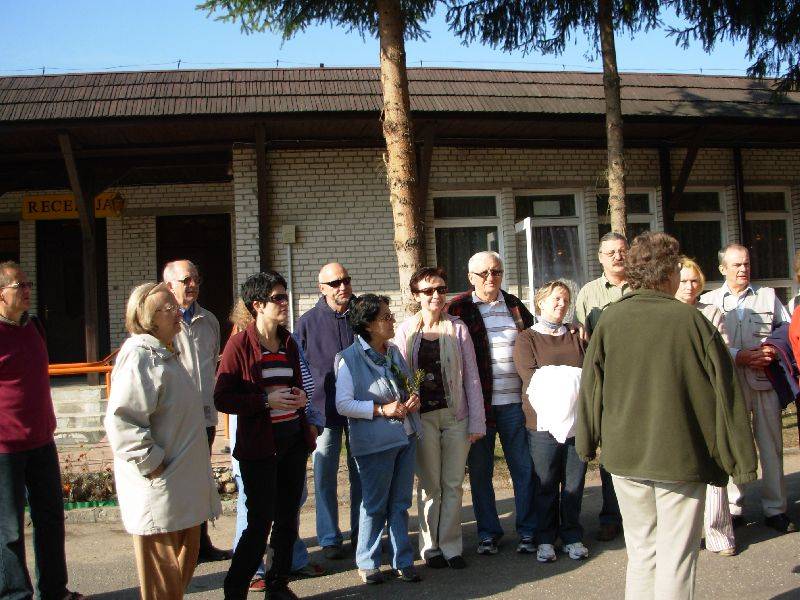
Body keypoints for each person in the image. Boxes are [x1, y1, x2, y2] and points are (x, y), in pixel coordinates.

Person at [576, 232, 758, 600]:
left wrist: (587, 441)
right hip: (681, 457)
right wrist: (741, 460)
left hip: (624, 457)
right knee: (676, 558)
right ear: (668, 273)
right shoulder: (692, 322)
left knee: (642, 554)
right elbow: (727, 393)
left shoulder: (610, 320)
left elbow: (590, 386)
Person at [105, 282, 221, 600]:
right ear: (148, 317)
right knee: (163, 584)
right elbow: (122, 421)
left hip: (180, 490)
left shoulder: (166, 353)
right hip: (160, 489)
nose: (178, 312)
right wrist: (152, 463)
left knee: (180, 574)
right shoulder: (140, 356)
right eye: (169, 308)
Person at [215, 272, 317, 600]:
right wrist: (264, 401)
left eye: (285, 296)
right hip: (260, 447)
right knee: (259, 524)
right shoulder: (239, 344)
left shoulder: (288, 342)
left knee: (287, 521)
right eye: (278, 298)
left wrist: (300, 397)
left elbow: (296, 384)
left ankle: (277, 584)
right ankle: (235, 589)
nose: (285, 303)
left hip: (292, 441)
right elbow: (222, 398)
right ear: (257, 305)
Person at [0, 261, 85, 600]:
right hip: (5, 447)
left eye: (28, 284)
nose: (27, 290)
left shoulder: (35, 325)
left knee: (50, 519)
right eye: (18, 285)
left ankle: (54, 590)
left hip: (41, 440)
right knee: (8, 528)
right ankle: (14, 594)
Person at [393, 267, 486, 569]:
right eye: (428, 290)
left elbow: (472, 377)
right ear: (416, 295)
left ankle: (451, 546)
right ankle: (429, 546)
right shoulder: (406, 331)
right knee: (430, 485)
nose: (436, 295)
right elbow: (399, 377)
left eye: (441, 289)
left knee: (454, 483)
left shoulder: (458, 328)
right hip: (423, 419)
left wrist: (477, 421)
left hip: (456, 416)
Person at [700, 244, 796, 534]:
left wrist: (772, 349)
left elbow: (787, 329)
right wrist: (737, 355)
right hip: (729, 383)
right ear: (722, 269)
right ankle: (734, 507)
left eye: (746, 264)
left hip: (763, 379)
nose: (743, 269)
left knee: (771, 446)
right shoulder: (709, 301)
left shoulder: (768, 295)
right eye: (737, 265)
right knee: (734, 444)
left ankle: (775, 509)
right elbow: (707, 342)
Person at [446, 251, 536, 555]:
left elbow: (536, 337)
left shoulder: (514, 305)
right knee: (481, 471)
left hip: (515, 404)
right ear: (470, 277)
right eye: (483, 273)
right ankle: (488, 533)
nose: (490, 278)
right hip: (478, 406)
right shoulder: (457, 308)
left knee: (523, 468)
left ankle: (528, 530)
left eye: (496, 271)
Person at [335, 294, 422, 584]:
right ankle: (368, 562)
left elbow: (407, 386)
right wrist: (381, 410)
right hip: (375, 443)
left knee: (400, 503)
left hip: (405, 436)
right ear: (369, 325)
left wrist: (413, 398)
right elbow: (343, 404)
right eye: (386, 316)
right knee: (374, 505)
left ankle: (403, 560)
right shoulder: (348, 359)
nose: (392, 319)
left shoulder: (393, 351)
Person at [513, 280, 588, 563]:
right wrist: (571, 377)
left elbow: (587, 373)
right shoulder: (527, 339)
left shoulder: (576, 335)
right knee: (545, 483)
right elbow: (533, 379)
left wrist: (560, 375)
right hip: (541, 422)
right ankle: (545, 538)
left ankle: (572, 536)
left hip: (576, 422)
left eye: (566, 300)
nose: (562, 304)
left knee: (573, 483)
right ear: (541, 302)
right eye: (556, 298)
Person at [162, 259, 230, 562]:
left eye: (196, 280)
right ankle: (178, 547)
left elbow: (213, 363)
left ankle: (201, 544)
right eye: (186, 280)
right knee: (178, 482)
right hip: (175, 419)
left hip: (204, 415)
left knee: (201, 480)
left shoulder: (209, 320)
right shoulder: (162, 321)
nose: (193, 285)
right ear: (169, 286)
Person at [295, 262, 361, 559]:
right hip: (324, 411)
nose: (342, 287)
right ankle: (329, 537)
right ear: (321, 288)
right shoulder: (307, 322)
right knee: (324, 476)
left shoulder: (362, 314)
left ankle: (362, 533)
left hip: (361, 408)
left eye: (345, 280)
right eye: (335, 283)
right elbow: (297, 367)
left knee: (362, 474)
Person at [675, 257, 737, 556]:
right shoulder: (667, 313)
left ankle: (718, 533)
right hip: (676, 399)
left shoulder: (711, 312)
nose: (689, 286)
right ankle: (683, 537)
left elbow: (720, 354)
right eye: (683, 281)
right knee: (678, 469)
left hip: (707, 396)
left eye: (694, 281)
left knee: (713, 463)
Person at [573, 231, 628, 542]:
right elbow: (583, 341)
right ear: (600, 258)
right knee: (611, 452)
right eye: (611, 252)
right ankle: (611, 515)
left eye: (622, 250)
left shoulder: (642, 286)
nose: (618, 257)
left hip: (641, 381)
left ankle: (642, 517)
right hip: (608, 384)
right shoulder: (589, 293)